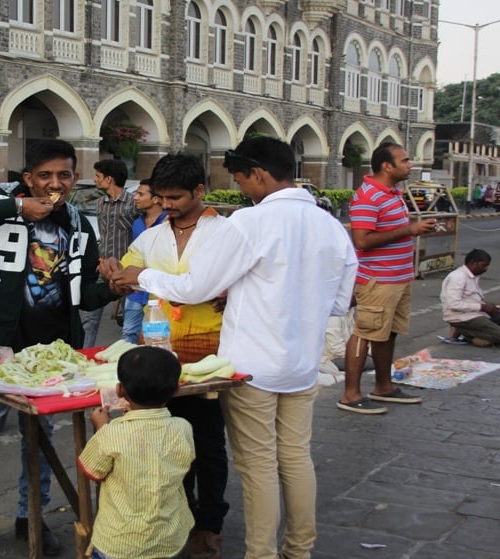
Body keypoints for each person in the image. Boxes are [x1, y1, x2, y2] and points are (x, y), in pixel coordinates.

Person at [111, 136, 358, 559]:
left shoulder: (250, 222)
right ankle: (299, 550)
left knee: (258, 464)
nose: (241, 188)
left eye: (242, 179)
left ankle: (260, 553)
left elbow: (195, 287)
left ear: (259, 174)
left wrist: (143, 277)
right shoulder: (330, 226)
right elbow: (338, 302)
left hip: (252, 366)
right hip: (301, 364)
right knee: (296, 458)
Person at [0, 139, 117, 558]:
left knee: (41, 438)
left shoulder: (79, 225)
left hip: (52, 351)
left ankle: (28, 516)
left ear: (74, 177)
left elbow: (82, 294)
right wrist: (16, 207)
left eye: (64, 175)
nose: (55, 184)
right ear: (28, 177)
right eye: (45, 176)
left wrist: (112, 288)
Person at [101, 153, 229, 558]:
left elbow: (231, 282)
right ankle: (181, 515)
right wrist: (115, 276)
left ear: (199, 191)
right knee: (166, 443)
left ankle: (210, 524)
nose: (168, 205)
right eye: (162, 197)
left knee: (207, 444)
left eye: (175, 197)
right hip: (158, 354)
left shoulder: (223, 232)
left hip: (211, 353)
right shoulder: (153, 236)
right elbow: (127, 273)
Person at [338, 142, 437, 415]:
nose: (410, 165)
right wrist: (410, 230)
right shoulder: (369, 196)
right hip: (378, 279)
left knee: (388, 332)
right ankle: (350, 394)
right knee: (366, 332)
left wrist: (411, 230)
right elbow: (362, 240)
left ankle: (383, 386)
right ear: (387, 166)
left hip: (398, 277)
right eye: (405, 160)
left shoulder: (393, 192)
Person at [77, 346, 194, 559]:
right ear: (176, 388)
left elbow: (93, 470)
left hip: (120, 543)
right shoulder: (183, 427)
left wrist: (101, 427)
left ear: (120, 390)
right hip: (169, 537)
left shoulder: (112, 433)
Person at [80, 159, 139, 347]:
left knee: (128, 318)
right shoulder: (99, 203)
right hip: (102, 266)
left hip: (126, 268)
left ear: (109, 179)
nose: (96, 180)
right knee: (90, 318)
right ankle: (84, 352)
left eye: (98, 176)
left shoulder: (134, 203)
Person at [120, 177, 166, 343]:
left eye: (140, 194)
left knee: (156, 337)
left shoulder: (170, 223)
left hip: (158, 294)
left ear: (155, 198)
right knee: (128, 333)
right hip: (136, 292)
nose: (135, 197)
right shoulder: (137, 223)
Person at [441, 249, 500, 346]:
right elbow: (453, 304)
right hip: (462, 317)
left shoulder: (474, 275)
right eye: (484, 265)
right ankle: (466, 333)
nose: (486, 269)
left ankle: (483, 337)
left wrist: (490, 307)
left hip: (476, 313)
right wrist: (482, 307)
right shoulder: (458, 277)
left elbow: (474, 298)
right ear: (473, 263)